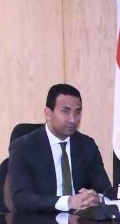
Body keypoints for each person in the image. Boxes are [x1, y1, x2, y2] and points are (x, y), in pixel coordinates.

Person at [7, 84, 114, 213]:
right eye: (65, 111)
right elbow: (21, 198)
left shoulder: (87, 145)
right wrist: (68, 202)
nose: (72, 119)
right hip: (40, 220)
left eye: (77, 112)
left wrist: (97, 198)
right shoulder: (23, 147)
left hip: (80, 220)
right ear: (48, 113)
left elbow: (105, 189)